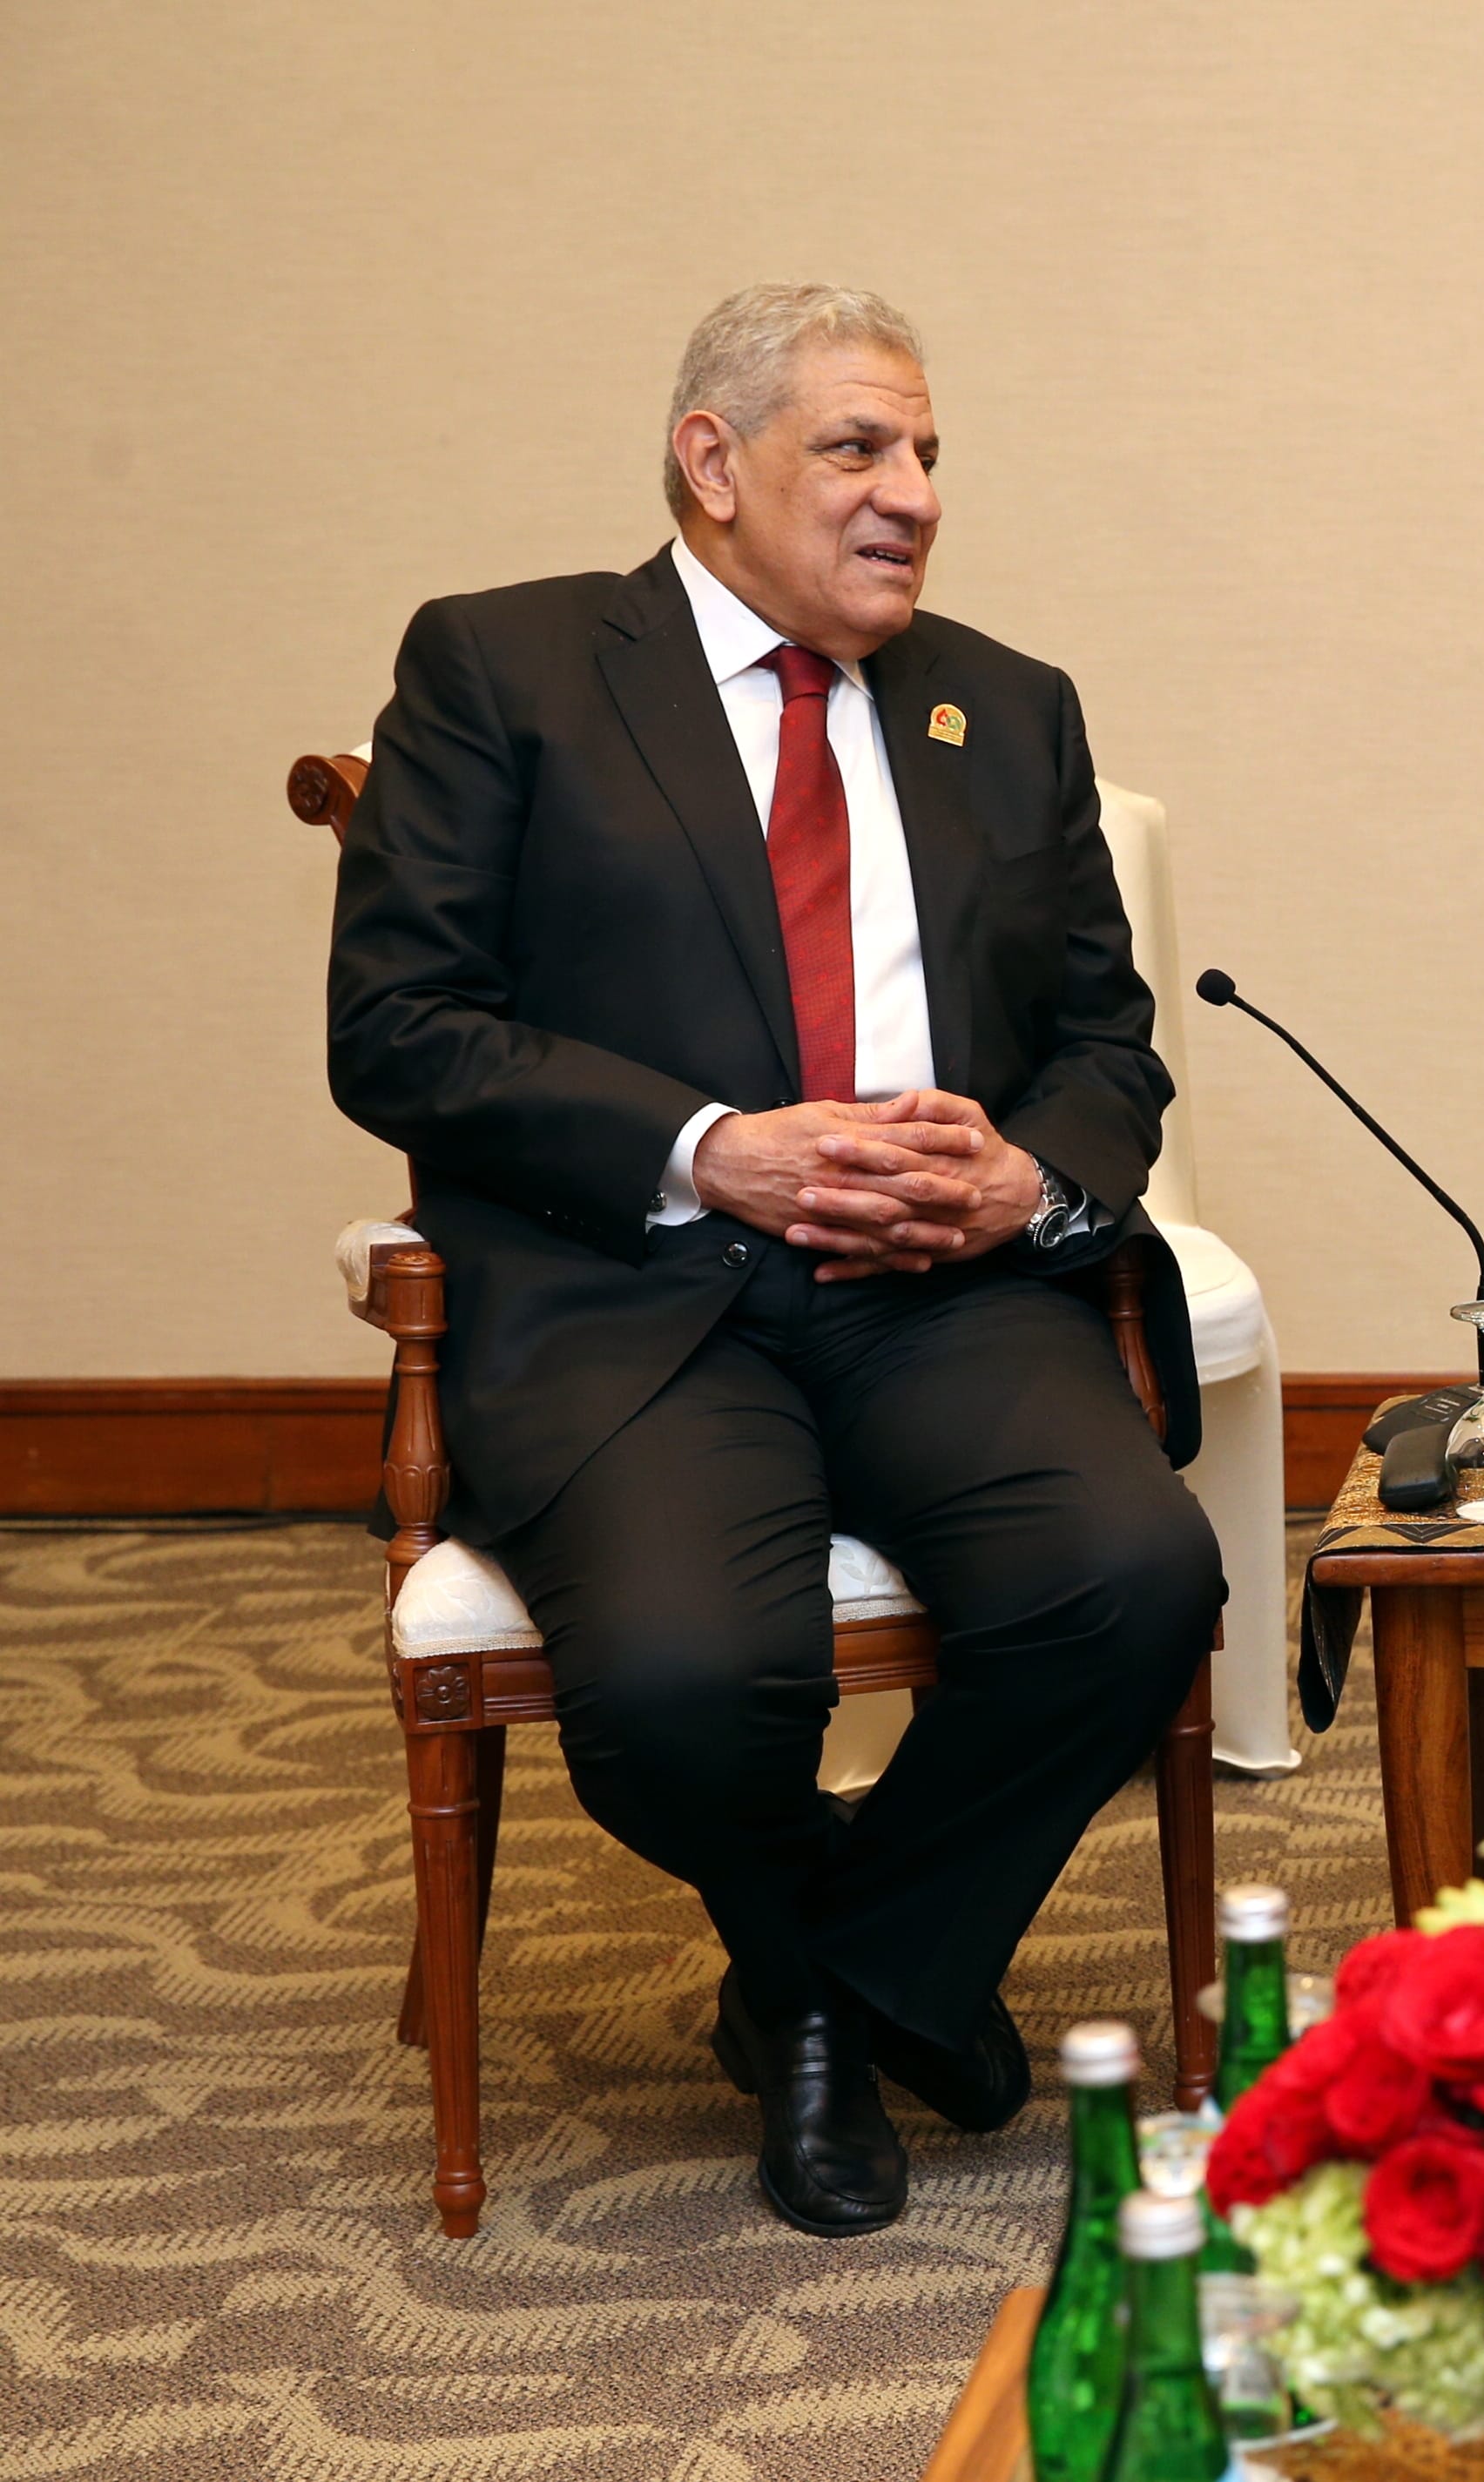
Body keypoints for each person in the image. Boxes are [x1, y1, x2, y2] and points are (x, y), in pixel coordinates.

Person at [328, 284, 1224, 2239]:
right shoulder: (511, 666)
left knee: (1134, 1577)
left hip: (937, 1294)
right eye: (857, 450)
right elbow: (400, 1029)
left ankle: (825, 1989)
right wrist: (708, 1151)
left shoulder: (1012, 705)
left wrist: (1025, 1185)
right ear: (711, 463)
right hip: (635, 1294)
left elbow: (1106, 1044)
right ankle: (845, 1979)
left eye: (926, 458)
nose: (909, 495)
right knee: (676, 1678)